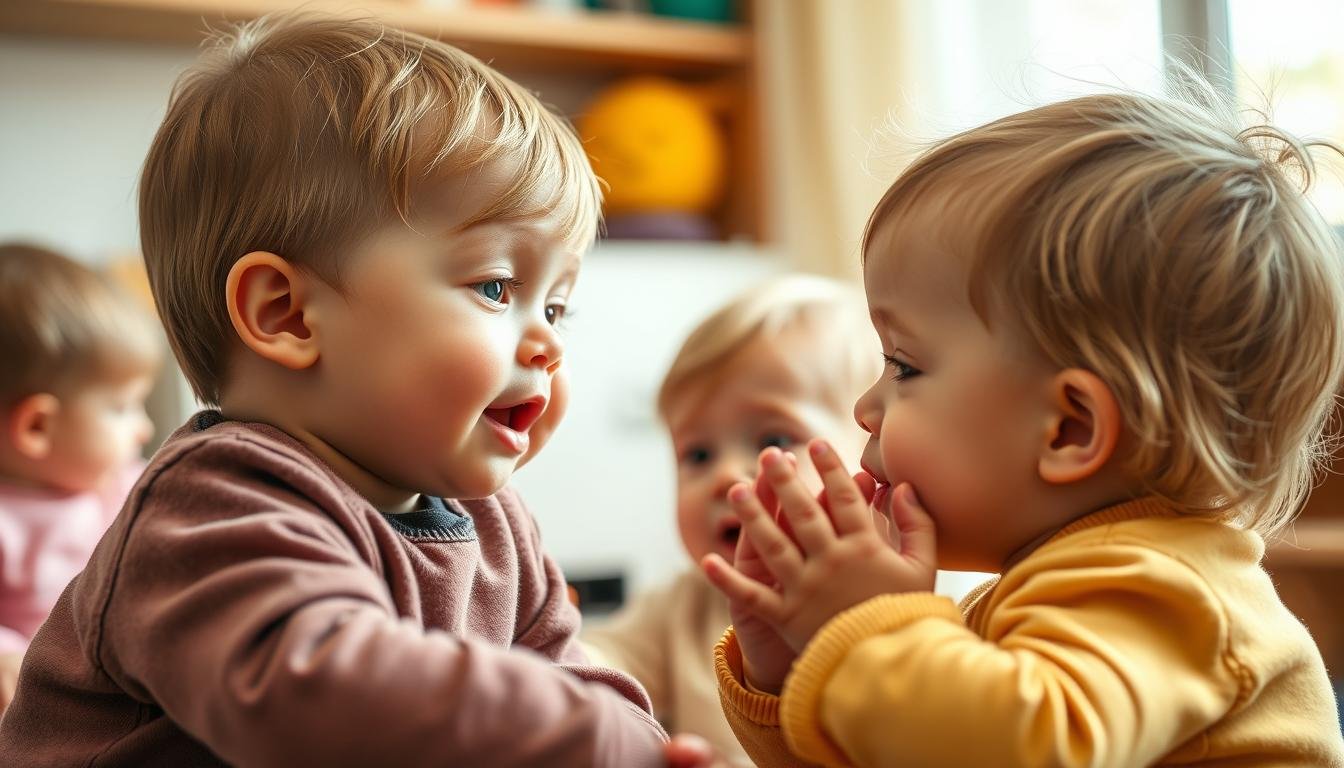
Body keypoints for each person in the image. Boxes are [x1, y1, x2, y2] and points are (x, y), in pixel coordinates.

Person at [0, 14, 669, 766]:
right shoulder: (213, 506)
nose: (548, 342)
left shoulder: (495, 526)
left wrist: (629, 739)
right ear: (286, 314)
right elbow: (319, 699)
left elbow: (583, 679)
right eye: (495, 286)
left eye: (556, 307)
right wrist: (581, 732)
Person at [703, 84, 1344, 766]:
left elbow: (1026, 751)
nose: (866, 408)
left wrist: (867, 631)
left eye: (904, 366)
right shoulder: (1049, 590)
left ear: (1069, 429)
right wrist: (795, 666)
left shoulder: (1165, 591)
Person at [582, 274, 877, 766]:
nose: (723, 477)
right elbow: (598, 664)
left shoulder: (909, 605)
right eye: (697, 453)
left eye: (773, 440)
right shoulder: (682, 608)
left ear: (875, 453)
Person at [0, 243, 160, 714]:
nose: (144, 428)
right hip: (43, 710)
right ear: (37, 427)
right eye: (121, 407)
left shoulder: (131, 486)